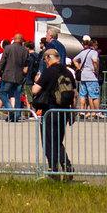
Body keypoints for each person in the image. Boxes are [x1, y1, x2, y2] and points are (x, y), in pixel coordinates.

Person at [28, 45, 75, 176]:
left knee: (48, 141)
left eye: (45, 59)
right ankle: (67, 166)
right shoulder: (68, 72)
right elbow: (74, 93)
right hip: (64, 111)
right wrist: (73, 112)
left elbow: (35, 90)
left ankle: (53, 169)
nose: (45, 62)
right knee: (58, 140)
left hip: (50, 110)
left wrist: (36, 81)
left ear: (49, 58)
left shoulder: (49, 71)